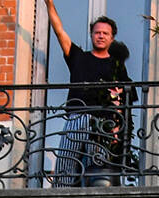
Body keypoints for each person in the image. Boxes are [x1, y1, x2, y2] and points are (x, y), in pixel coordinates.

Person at [43, 0, 131, 186]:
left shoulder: (117, 67)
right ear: (91, 35)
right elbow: (59, 31)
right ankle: (61, 197)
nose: (100, 36)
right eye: (97, 32)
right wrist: (49, 3)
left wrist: (117, 127)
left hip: (102, 122)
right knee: (66, 163)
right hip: (77, 116)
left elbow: (123, 99)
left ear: (112, 38)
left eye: (105, 33)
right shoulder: (78, 57)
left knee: (98, 168)